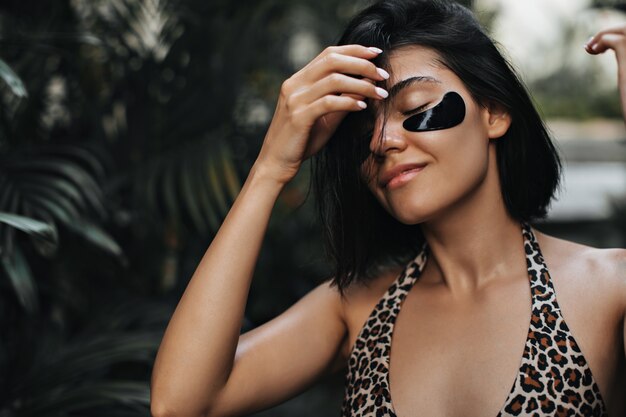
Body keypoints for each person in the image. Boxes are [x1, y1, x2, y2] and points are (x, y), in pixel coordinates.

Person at [151, 1, 626, 416]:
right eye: (361, 134)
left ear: (494, 113)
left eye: (414, 106)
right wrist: (272, 166)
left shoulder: (608, 289)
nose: (381, 141)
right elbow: (181, 402)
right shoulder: (357, 309)